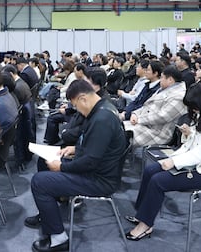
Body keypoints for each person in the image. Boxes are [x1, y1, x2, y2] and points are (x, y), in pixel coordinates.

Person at [25, 79, 126, 252]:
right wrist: (75, 148)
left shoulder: (102, 119)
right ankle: (48, 212)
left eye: (76, 106)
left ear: (83, 99)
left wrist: (61, 168)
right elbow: (97, 147)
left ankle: (59, 238)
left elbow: (90, 161)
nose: (77, 110)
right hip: (98, 169)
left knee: (39, 182)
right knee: (44, 161)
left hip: (100, 180)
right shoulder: (104, 108)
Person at [124, 83, 201, 240]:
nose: (193, 111)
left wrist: (174, 161)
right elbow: (197, 142)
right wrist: (190, 133)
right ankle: (142, 214)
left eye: (194, 108)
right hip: (194, 164)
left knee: (158, 181)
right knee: (150, 170)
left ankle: (145, 225)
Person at [128, 66, 187, 147]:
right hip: (145, 125)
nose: (160, 80)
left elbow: (163, 117)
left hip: (157, 133)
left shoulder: (179, 97)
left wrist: (139, 119)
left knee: (121, 136)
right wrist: (135, 114)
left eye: (162, 77)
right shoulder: (164, 89)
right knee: (117, 128)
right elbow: (146, 105)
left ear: (170, 80)